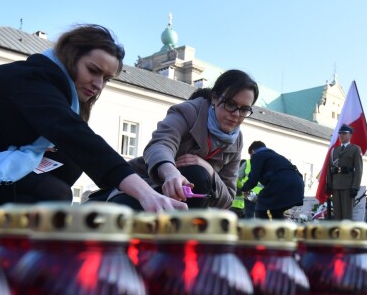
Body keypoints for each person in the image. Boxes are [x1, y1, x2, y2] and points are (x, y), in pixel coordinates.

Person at [0, 24, 183, 212]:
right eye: (93, 71)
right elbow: (78, 137)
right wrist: (145, 194)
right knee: (56, 193)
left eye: (106, 79)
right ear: (70, 57)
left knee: (67, 162)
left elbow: (77, 142)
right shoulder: (33, 79)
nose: (98, 85)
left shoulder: (57, 90)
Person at [109, 70, 258, 210]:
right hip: (149, 184)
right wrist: (171, 173)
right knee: (197, 174)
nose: (236, 114)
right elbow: (161, 144)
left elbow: (228, 198)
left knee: (200, 174)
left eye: (244, 109)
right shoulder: (189, 112)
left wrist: (210, 171)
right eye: (230, 104)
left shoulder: (237, 140)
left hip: (194, 201)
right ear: (214, 98)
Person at [240, 141, 304, 220]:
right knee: (276, 212)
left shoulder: (257, 155)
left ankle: (264, 231)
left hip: (280, 183)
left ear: (252, 151)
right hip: (297, 185)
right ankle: (281, 231)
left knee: (260, 209)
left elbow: (253, 179)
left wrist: (242, 189)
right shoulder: (275, 156)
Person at [326, 124, 363, 220]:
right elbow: (329, 168)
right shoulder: (334, 150)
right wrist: (329, 183)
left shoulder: (355, 149)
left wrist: (355, 187)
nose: (341, 135)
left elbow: (359, 169)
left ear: (350, 135)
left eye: (344, 133)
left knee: (347, 214)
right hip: (336, 185)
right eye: (340, 133)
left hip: (348, 186)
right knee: (337, 214)